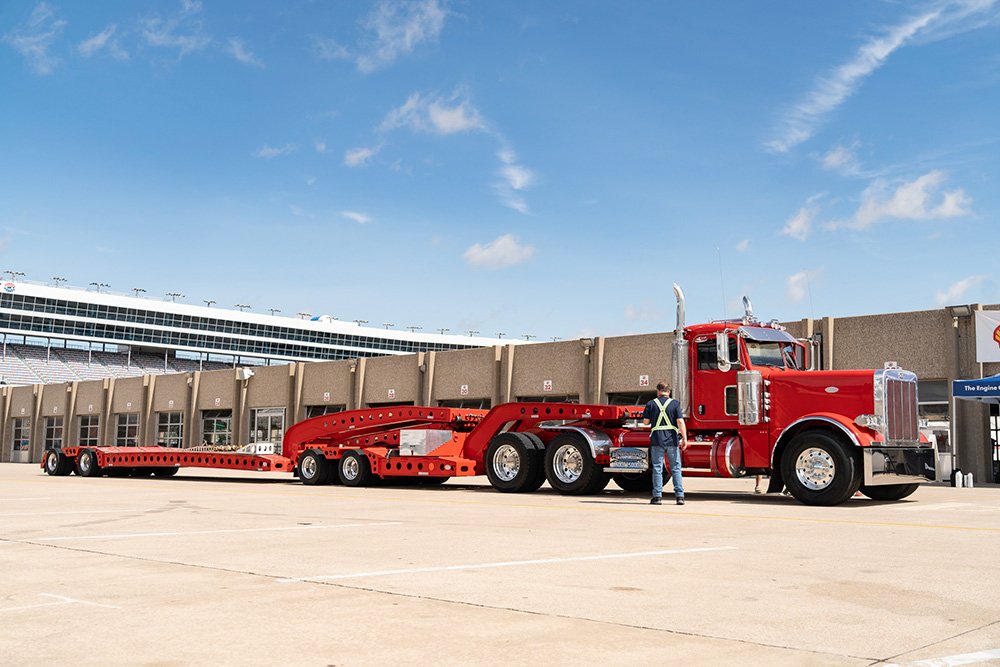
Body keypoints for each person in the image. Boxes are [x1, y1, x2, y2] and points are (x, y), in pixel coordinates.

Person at [642, 382, 688, 505]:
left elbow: (646, 422)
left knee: (657, 468)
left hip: (657, 440)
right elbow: (680, 422)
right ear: (669, 391)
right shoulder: (675, 404)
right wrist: (684, 438)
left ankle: (657, 497)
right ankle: (680, 497)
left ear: (658, 391)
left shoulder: (651, 403)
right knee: (676, 468)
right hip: (672, 440)